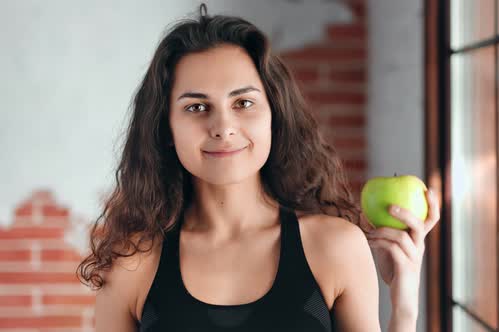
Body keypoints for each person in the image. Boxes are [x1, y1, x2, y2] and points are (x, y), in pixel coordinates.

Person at [77, 4, 440, 331]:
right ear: (165, 128)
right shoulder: (133, 263)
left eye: (243, 102)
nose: (223, 126)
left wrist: (404, 304)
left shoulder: (335, 247)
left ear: (274, 116)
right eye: (197, 107)